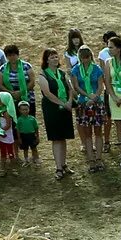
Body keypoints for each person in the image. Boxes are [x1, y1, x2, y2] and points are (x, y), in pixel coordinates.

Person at [70, 44, 110, 172]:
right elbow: (76, 87)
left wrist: (94, 98)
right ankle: (91, 160)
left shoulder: (97, 69)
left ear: (90, 57)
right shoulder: (76, 70)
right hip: (83, 103)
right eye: (82, 57)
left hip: (96, 103)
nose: (85, 60)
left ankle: (99, 158)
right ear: (79, 58)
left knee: (98, 132)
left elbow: (100, 86)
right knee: (87, 133)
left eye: (87, 57)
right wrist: (87, 96)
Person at [37, 48, 75, 178]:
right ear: (46, 60)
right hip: (52, 109)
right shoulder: (43, 75)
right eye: (51, 57)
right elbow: (47, 93)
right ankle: (58, 168)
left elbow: (70, 88)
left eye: (56, 56)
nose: (54, 59)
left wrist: (69, 101)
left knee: (63, 138)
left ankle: (64, 164)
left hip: (65, 108)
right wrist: (62, 103)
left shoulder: (62, 73)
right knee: (56, 139)